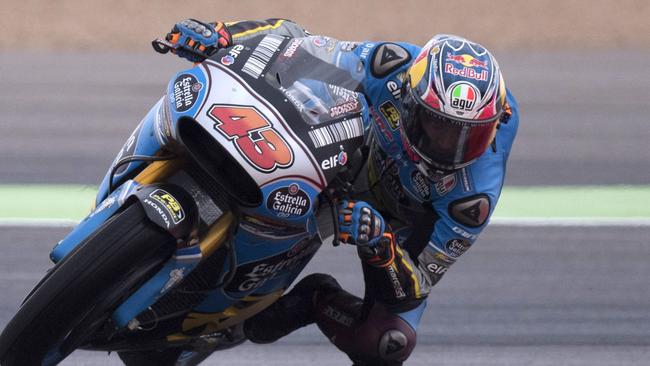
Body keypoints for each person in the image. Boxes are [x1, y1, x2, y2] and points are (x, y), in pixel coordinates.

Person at [122, 18, 519, 366]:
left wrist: (380, 245)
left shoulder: (471, 200)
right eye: (439, 126)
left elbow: (417, 285)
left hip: (395, 220)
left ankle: (307, 300)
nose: (451, 146)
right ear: (412, 99)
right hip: (351, 153)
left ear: (495, 122)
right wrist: (224, 36)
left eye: (472, 135)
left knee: (387, 342)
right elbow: (296, 44)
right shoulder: (393, 66)